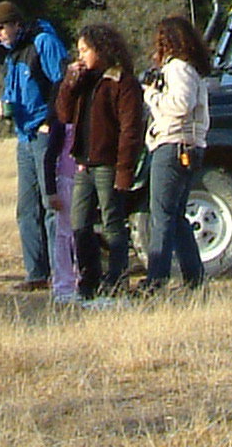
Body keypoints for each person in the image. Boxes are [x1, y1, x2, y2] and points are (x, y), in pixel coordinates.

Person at [56, 22, 145, 300]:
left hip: (108, 164)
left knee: (112, 222)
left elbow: (130, 131)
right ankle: (89, 281)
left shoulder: (122, 83)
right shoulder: (84, 82)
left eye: (85, 50)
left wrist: (124, 170)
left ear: (102, 49)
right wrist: (69, 83)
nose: (80, 56)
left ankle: (117, 281)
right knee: (79, 223)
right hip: (84, 164)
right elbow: (64, 114)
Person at [0, 1, 68, 291]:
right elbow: (14, 92)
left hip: (45, 135)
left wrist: (51, 121)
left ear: (17, 25)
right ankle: (36, 274)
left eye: (1, 27)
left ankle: (61, 272)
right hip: (24, 138)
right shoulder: (12, 56)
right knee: (27, 209)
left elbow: (63, 84)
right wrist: (3, 104)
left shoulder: (43, 43)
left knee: (52, 204)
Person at [139, 15, 213, 293]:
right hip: (189, 146)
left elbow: (181, 104)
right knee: (176, 216)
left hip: (173, 145)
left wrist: (151, 95)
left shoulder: (178, 68)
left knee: (161, 215)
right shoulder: (191, 70)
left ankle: (156, 280)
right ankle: (194, 278)